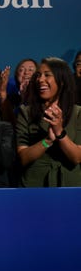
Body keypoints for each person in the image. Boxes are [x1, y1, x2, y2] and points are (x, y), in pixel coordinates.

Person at [15, 57, 81, 187]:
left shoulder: (78, 113)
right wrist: (47, 141)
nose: (40, 80)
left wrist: (59, 132)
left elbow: (77, 157)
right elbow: (23, 157)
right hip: (35, 184)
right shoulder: (26, 112)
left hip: (70, 186)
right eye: (38, 75)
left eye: (47, 75)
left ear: (62, 81)